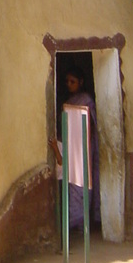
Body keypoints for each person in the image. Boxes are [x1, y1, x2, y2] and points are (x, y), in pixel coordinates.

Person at [49, 64, 100, 229]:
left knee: (82, 182)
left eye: (73, 81)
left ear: (81, 82)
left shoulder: (87, 101)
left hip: (84, 146)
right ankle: (74, 222)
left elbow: (91, 125)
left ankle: (82, 222)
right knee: (72, 183)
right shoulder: (69, 102)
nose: (69, 84)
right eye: (67, 81)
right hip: (70, 145)